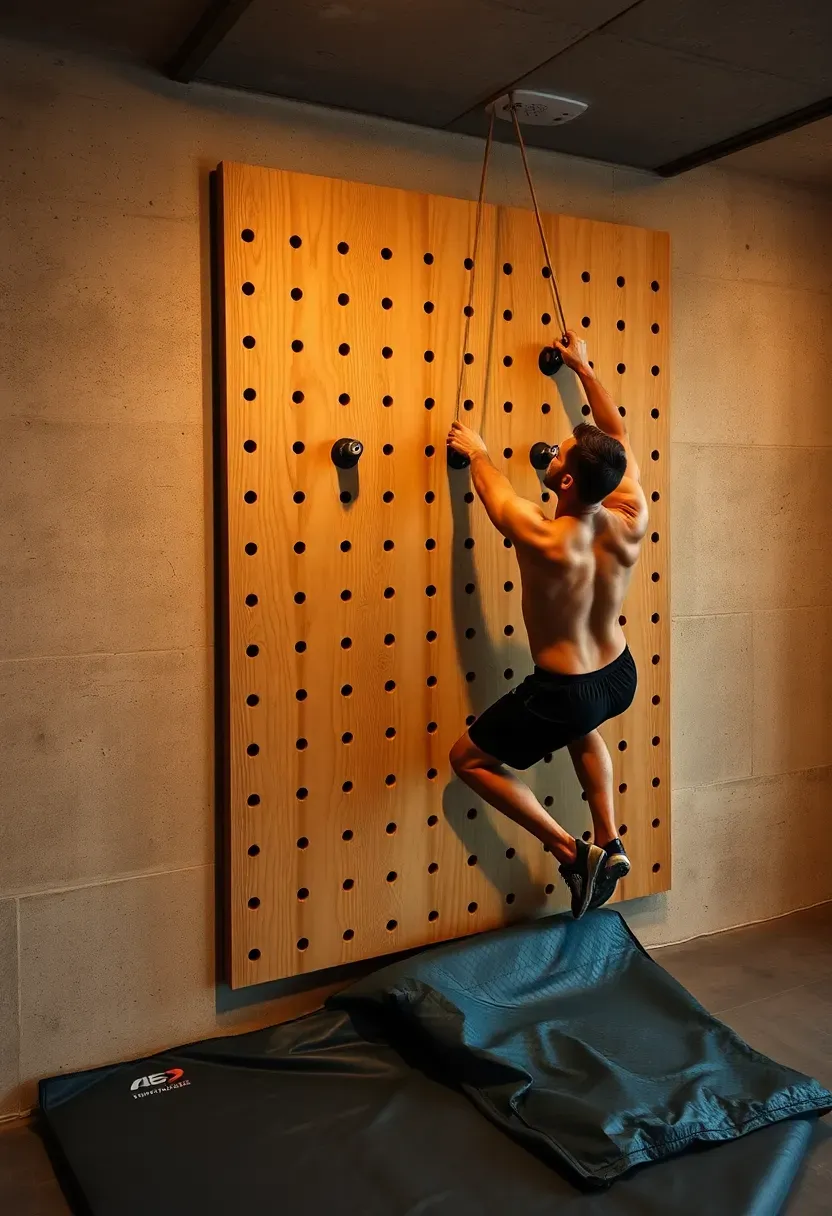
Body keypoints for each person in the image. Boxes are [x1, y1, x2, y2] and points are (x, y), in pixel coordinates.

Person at [447, 331, 648, 918]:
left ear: (564, 484)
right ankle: (610, 841)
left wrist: (478, 451)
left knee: (469, 760)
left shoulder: (543, 534)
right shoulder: (630, 511)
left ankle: (570, 850)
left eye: (556, 456)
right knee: (585, 727)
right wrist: (583, 368)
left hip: (564, 691)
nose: (551, 455)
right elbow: (619, 434)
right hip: (618, 675)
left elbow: (497, 497)